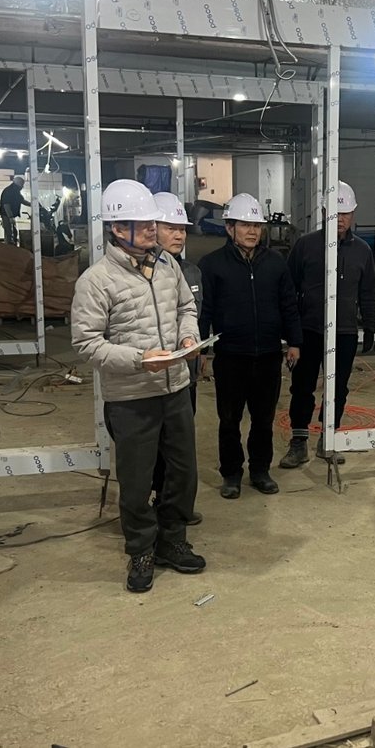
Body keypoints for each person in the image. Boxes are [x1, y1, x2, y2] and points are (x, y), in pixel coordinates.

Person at [71, 179, 204, 593]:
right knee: (135, 481)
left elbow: (186, 307)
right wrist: (139, 359)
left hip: (175, 389)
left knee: (183, 474)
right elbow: (86, 343)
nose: (152, 228)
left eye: (152, 222)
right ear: (117, 228)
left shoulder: (167, 267)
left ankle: (172, 541)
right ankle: (141, 550)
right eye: (142, 223)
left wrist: (188, 337)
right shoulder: (96, 281)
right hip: (132, 399)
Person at [199, 193, 302, 499]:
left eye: (256, 225)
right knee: (229, 421)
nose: (252, 231)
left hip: (268, 356)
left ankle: (260, 471)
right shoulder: (212, 265)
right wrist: (201, 350)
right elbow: (204, 311)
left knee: (263, 420)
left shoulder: (276, 263)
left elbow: (288, 305)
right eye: (245, 225)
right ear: (229, 228)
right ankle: (231, 474)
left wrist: (294, 342)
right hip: (230, 357)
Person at [281, 181, 375, 469]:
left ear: (353, 214)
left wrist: (369, 326)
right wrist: (291, 333)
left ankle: (329, 439)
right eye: (336, 213)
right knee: (302, 386)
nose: (342, 219)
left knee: (338, 389)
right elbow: (288, 289)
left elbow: (368, 292)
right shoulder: (306, 246)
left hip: (344, 331)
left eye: (346, 213)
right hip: (310, 330)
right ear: (325, 212)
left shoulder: (362, 251)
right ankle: (299, 442)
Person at [152, 191, 204, 526]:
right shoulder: (144, 274)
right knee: (155, 444)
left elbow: (197, 315)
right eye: (170, 228)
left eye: (182, 229)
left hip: (188, 373)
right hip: (155, 377)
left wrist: (200, 353)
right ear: (152, 227)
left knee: (181, 446)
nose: (178, 235)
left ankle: (176, 505)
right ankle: (157, 500)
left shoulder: (193, 273)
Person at [0, 174, 29, 246]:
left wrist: (32, 205)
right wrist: (10, 217)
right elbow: (6, 205)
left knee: (13, 232)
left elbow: (22, 200)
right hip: (6, 215)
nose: (22, 187)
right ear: (18, 184)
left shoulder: (15, 191)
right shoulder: (9, 191)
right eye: (22, 185)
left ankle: (13, 245)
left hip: (9, 215)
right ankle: (9, 247)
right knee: (9, 232)